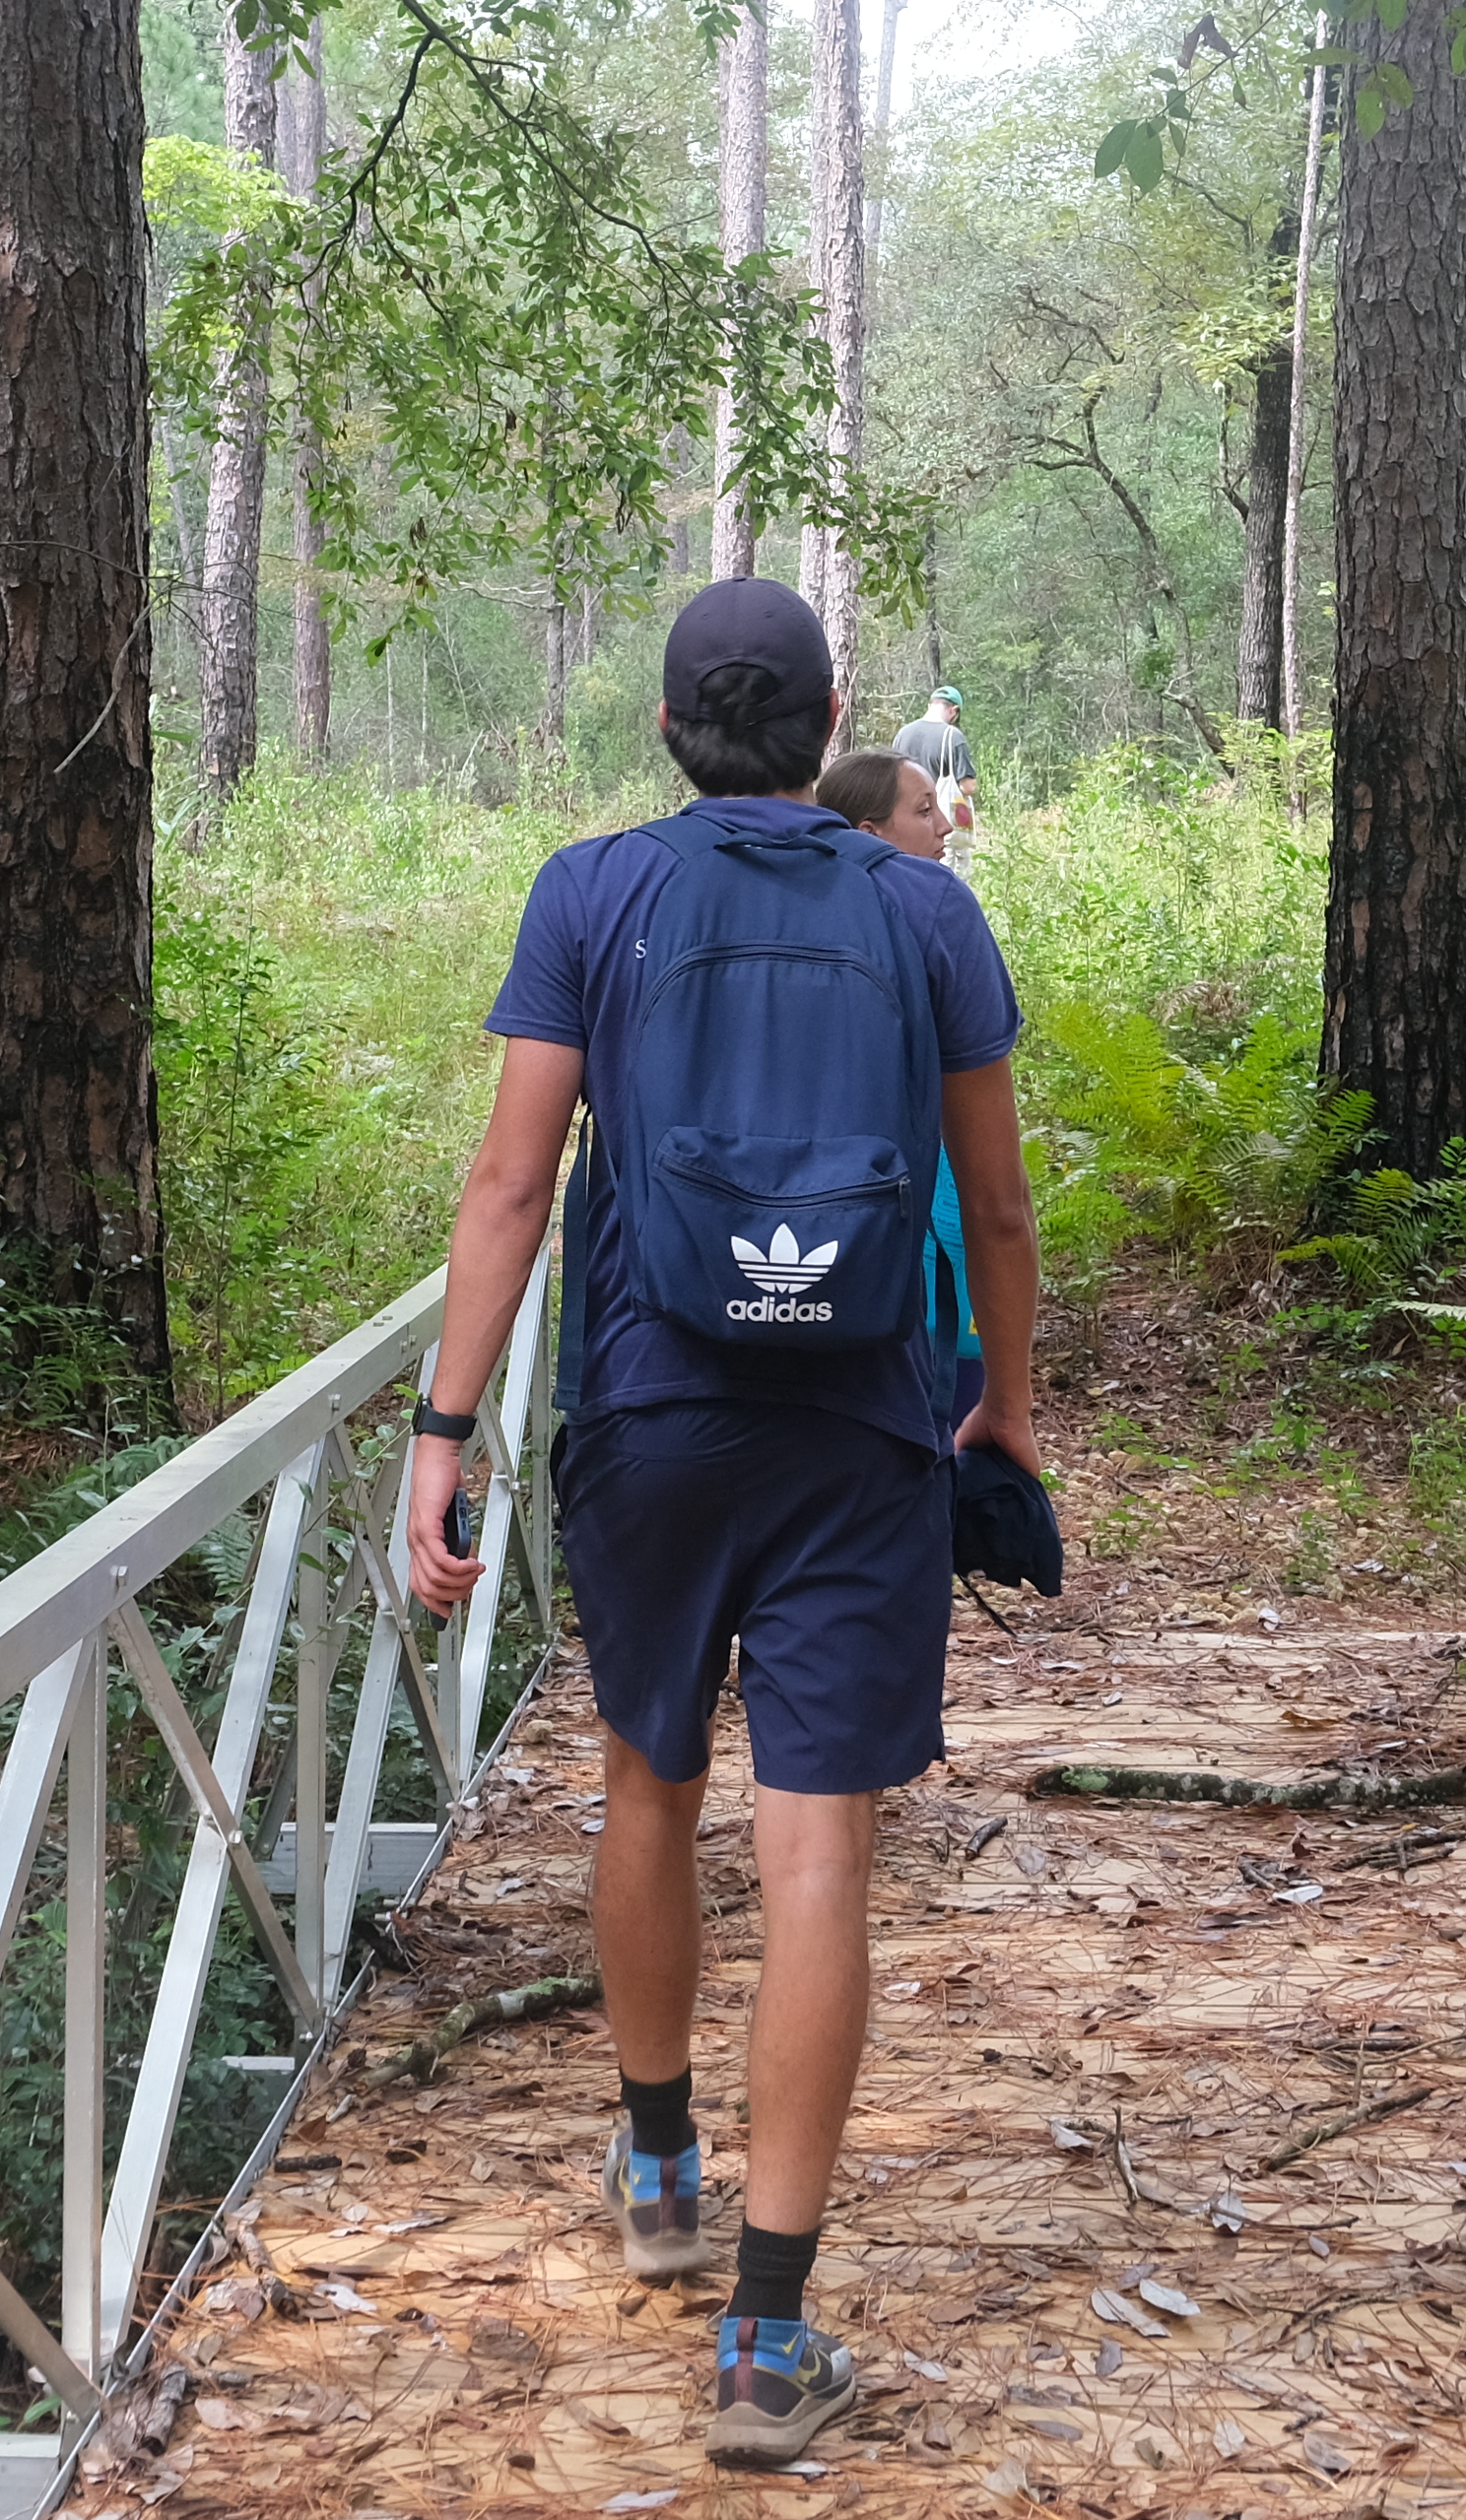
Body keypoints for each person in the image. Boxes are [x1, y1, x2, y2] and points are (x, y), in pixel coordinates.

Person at [402, 578, 1040, 2469]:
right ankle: (767, 2343)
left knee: (649, 1784)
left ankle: (659, 2162)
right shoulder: (926, 903)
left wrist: (446, 1425)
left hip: (653, 1412)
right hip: (860, 1425)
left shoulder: (591, 892)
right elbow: (996, 1209)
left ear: (672, 725)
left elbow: (514, 1184)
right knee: (818, 1842)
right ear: (837, 715)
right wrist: (1003, 1402)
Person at [817, 753, 987, 1433]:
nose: (945, 826)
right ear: (868, 833)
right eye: (923, 812)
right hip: (892, 1217)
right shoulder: (926, 924)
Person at [890, 685, 978, 837]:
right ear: (954, 710)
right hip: (941, 823)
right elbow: (967, 786)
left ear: (930, 705)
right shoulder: (952, 735)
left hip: (907, 823)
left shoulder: (902, 734)